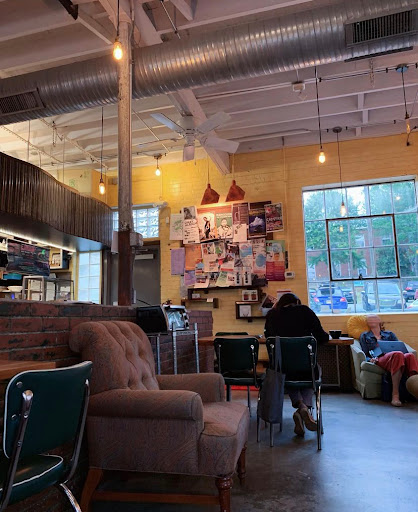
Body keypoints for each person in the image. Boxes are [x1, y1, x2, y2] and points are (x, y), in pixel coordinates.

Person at [264, 293, 329, 437]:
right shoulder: (305, 311)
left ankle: (301, 407)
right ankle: (305, 409)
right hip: (307, 368)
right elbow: (322, 337)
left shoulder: (272, 315)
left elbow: (269, 338)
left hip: (282, 369)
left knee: (287, 372)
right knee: (312, 372)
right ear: (297, 302)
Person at [359, 314, 418, 407]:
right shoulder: (365, 335)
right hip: (379, 358)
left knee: (409, 356)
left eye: (374, 318)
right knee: (397, 354)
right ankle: (395, 395)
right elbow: (365, 352)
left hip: (396, 356)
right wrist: (370, 359)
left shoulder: (389, 334)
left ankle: (415, 390)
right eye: (369, 319)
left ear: (379, 321)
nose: (371, 320)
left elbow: (398, 346)